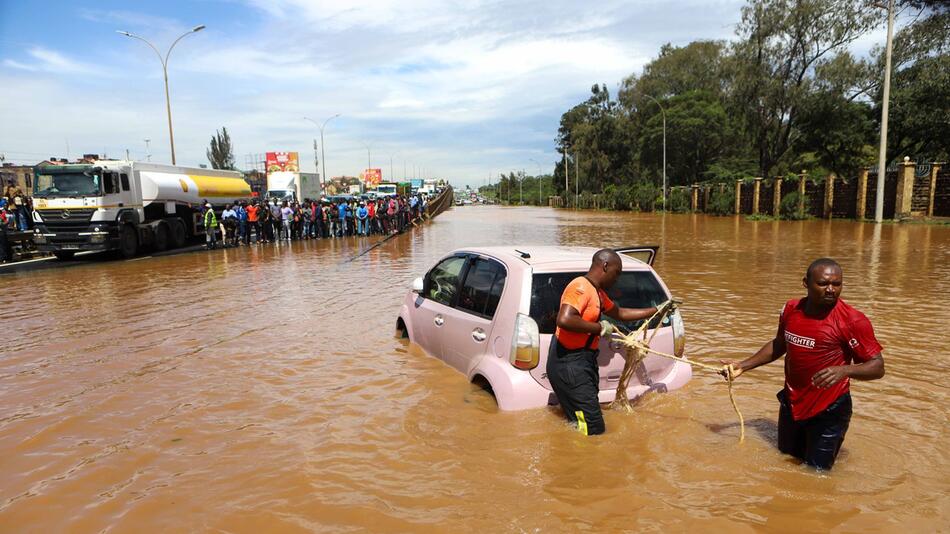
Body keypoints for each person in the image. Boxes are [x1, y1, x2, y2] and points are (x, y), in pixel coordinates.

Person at [720, 258, 885, 470]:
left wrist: (845, 370)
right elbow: (780, 344)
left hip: (829, 409)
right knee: (785, 462)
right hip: (792, 403)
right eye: (823, 283)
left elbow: (877, 366)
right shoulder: (790, 309)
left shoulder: (852, 320)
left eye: (837, 284)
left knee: (816, 474)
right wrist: (743, 365)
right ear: (806, 283)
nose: (831, 290)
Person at [548, 249, 659, 436]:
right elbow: (564, 320)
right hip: (569, 363)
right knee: (593, 428)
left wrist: (656, 309)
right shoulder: (580, 287)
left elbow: (620, 313)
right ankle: (581, 460)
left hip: (583, 362)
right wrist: (599, 328)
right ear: (605, 266)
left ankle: (574, 450)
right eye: (617, 273)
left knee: (580, 419)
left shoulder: (597, 293)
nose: (617, 279)